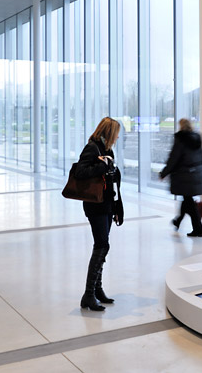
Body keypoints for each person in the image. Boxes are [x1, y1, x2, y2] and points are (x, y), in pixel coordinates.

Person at [75, 117, 123, 312]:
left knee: (102, 246)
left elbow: (112, 180)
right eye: (116, 133)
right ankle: (88, 294)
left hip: (107, 205)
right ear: (109, 132)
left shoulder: (107, 150)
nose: (118, 137)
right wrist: (104, 165)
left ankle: (97, 290)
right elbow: (80, 172)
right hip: (95, 205)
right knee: (102, 245)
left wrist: (117, 208)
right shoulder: (92, 148)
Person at [160, 118, 202, 238]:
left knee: (189, 202)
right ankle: (178, 221)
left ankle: (198, 229)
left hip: (185, 176)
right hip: (196, 175)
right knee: (187, 200)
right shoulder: (197, 138)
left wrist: (164, 173)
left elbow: (174, 158)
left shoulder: (180, 139)